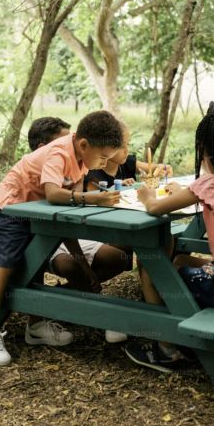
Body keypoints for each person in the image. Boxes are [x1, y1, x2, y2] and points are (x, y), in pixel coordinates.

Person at [125, 102, 214, 373]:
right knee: (179, 258)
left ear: (203, 151)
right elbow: (208, 195)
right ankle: (179, 335)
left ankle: (165, 350)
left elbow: (155, 208)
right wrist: (182, 189)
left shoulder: (210, 183)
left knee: (152, 269)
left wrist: (146, 194)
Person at [0, 111, 124, 366]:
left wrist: (85, 266)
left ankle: (35, 327)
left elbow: (67, 215)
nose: (105, 163)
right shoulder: (60, 152)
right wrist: (94, 198)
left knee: (36, 261)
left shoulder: (83, 159)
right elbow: (55, 195)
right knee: (8, 265)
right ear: (84, 144)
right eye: (103, 156)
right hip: (11, 206)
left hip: (36, 209)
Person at [28, 116, 132, 343]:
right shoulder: (55, 162)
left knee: (121, 257)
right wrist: (84, 267)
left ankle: (63, 299)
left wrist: (86, 266)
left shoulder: (79, 165)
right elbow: (58, 203)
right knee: (71, 265)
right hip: (42, 235)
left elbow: (70, 217)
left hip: (67, 234)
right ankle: (99, 314)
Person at [84, 123, 173, 191]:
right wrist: (116, 187)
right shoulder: (93, 174)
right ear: (106, 148)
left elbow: (152, 168)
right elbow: (95, 200)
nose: (127, 150)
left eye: (128, 144)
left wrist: (160, 167)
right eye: (122, 146)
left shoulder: (127, 162)